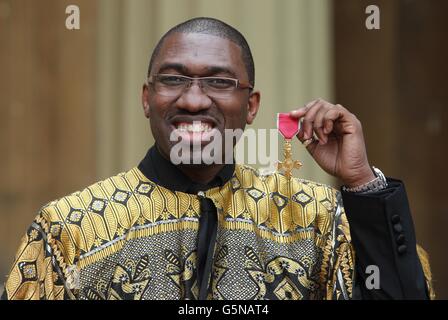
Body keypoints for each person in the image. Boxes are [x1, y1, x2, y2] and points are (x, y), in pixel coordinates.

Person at [1, 17, 433, 300]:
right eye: (173, 79)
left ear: (251, 106)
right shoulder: (70, 227)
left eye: (219, 82)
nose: (193, 100)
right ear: (147, 98)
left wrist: (361, 184)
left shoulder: (316, 217)